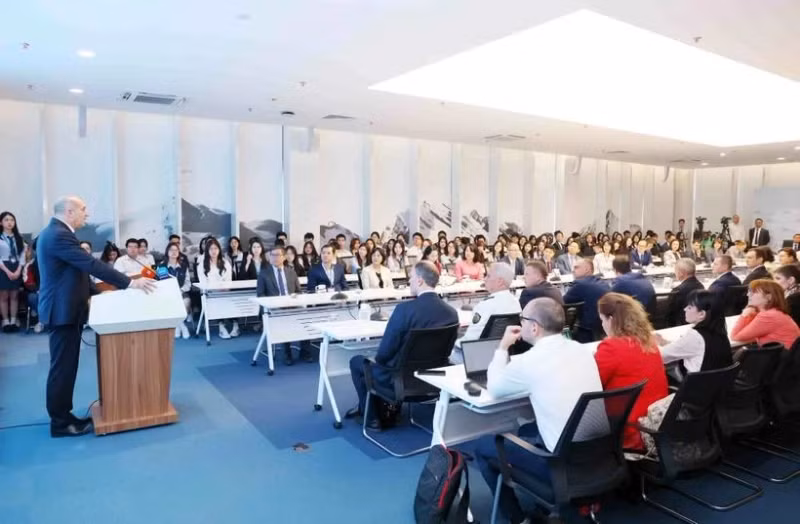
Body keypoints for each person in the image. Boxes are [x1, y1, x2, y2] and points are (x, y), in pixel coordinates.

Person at [475, 298, 603, 524]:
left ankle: (517, 518)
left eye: (522, 320)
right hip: (598, 458)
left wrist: (502, 347)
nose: (520, 324)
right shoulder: (581, 349)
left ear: (534, 327)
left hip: (561, 464)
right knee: (527, 430)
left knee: (484, 445)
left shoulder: (529, 361)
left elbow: (494, 388)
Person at [37, 196, 155, 437]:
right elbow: (90, 264)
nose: (87, 214)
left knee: (66, 366)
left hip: (65, 310)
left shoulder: (56, 232)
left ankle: (64, 415)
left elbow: (74, 273)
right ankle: (60, 422)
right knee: (62, 368)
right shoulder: (58, 234)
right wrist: (130, 283)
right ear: (69, 211)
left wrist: (100, 292)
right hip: (61, 312)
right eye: (83, 209)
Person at [347, 261, 458, 429]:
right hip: (434, 380)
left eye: (411, 277)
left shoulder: (404, 310)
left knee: (358, 362)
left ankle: (371, 418)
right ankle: (381, 408)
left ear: (420, 280)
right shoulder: (451, 313)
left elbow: (384, 353)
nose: (409, 281)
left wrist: (377, 362)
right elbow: (446, 351)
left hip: (401, 381)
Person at [595, 293, 668, 451]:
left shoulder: (611, 347)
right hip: (657, 423)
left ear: (611, 320)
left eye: (602, 320)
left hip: (630, 429)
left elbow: (592, 384)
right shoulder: (648, 341)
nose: (602, 325)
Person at [452, 263, 521, 360]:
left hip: (475, 356)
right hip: (502, 352)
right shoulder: (516, 303)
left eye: (488, 276)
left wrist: (454, 344)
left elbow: (471, 338)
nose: (485, 279)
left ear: (500, 281)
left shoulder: (485, 305)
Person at [656, 290, 733, 374]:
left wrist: (653, 343)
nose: (685, 309)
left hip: (695, 381)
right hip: (718, 381)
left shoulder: (695, 336)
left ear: (701, 314)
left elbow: (662, 356)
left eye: (689, 307)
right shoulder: (719, 331)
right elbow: (685, 347)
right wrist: (665, 342)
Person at [257, 246, 311, 364]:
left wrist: (295, 298)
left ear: (284, 257)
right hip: (274, 308)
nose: (274, 258)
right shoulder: (264, 274)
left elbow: (298, 291)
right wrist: (273, 303)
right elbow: (260, 295)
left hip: (292, 305)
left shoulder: (291, 272)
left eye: (277, 255)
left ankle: (305, 351)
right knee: (284, 320)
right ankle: (287, 353)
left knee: (306, 318)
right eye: (272, 255)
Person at [732, 279, 800, 349]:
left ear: (769, 297)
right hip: (787, 353)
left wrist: (744, 315)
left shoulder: (768, 316)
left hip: (783, 354)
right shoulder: (775, 312)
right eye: (749, 292)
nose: (748, 294)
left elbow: (735, 336)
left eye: (754, 292)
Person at [197, 238, 239, 339]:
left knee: (233, 299)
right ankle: (221, 326)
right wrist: (215, 289)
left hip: (225, 291)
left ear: (219, 250)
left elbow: (229, 280)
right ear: (207, 251)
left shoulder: (225, 263)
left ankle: (235, 325)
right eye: (211, 249)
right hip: (210, 293)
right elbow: (203, 283)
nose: (214, 251)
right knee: (219, 301)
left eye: (216, 248)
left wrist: (225, 288)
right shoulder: (202, 265)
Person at [562, 259, 609, 342]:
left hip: (588, 331)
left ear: (587, 269)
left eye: (576, 267)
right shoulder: (602, 282)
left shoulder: (580, 285)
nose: (573, 270)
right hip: (603, 328)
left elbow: (561, 302)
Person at [159, 242, 192, 339]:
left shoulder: (184, 266)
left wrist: (181, 290)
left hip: (181, 292)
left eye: (176, 250)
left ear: (178, 252)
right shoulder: (162, 266)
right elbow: (162, 283)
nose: (173, 252)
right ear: (167, 252)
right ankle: (182, 326)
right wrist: (171, 292)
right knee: (170, 302)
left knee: (186, 302)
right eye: (171, 250)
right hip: (167, 294)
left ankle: (177, 326)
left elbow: (188, 283)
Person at [0, 211, 25, 331]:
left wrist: (19, 270)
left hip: (16, 267)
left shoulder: (19, 238)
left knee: (15, 295)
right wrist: (7, 271)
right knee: (4, 296)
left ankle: (14, 320)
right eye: (6, 220)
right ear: (1, 222)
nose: (9, 222)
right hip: (3, 267)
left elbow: (22, 255)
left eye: (12, 220)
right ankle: (5, 321)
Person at [668, 258, 705, 326]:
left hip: (682, 326)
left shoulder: (678, 290)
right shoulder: (701, 286)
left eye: (676, 271)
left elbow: (670, 315)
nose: (675, 273)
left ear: (681, 273)